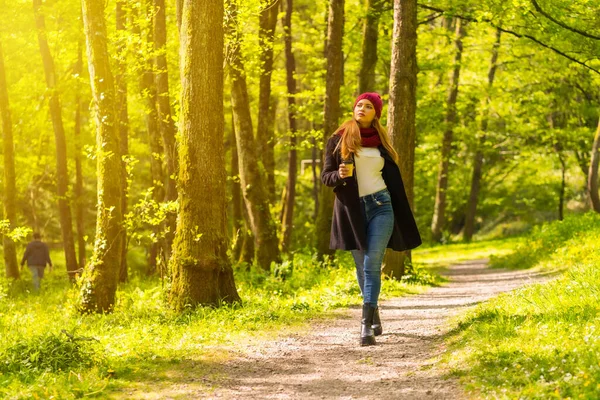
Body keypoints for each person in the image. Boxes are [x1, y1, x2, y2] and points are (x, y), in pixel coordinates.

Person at [321, 92, 422, 346]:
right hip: (351, 211)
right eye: (359, 105)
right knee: (360, 266)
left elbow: (393, 179)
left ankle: (365, 325)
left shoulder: (381, 145)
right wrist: (340, 175)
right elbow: (326, 177)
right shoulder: (338, 140)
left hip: (381, 206)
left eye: (368, 106)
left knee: (372, 264)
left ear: (376, 113)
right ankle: (373, 309)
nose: (362, 109)